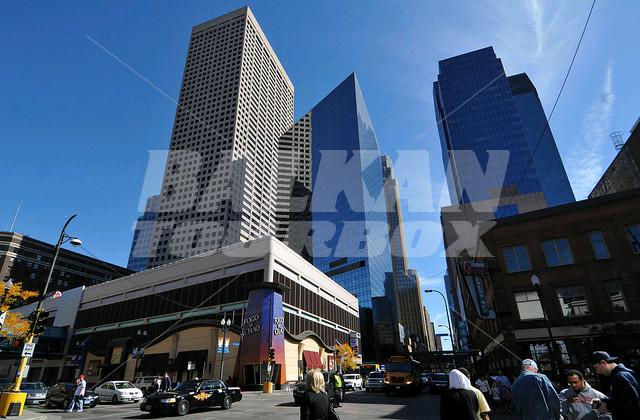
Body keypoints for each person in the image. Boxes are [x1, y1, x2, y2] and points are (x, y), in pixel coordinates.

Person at [591, 351, 640, 419]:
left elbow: (634, 402)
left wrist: (608, 407)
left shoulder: (621, 376)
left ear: (603, 363)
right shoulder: (617, 376)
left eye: (596, 368)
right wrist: (605, 401)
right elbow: (621, 398)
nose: (597, 372)